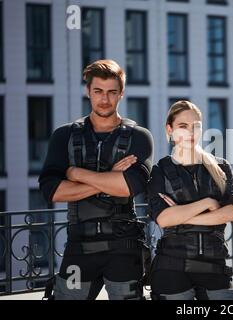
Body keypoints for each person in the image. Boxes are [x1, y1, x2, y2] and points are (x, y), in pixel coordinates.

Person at [38, 59, 153, 300]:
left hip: (124, 246)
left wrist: (77, 174)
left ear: (121, 94)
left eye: (112, 92)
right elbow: (52, 191)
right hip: (79, 247)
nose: (105, 99)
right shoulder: (64, 135)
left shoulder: (139, 136)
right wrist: (110, 176)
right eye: (98, 91)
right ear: (88, 91)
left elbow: (132, 185)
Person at [147, 100, 233, 300]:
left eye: (196, 126)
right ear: (170, 129)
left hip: (214, 265)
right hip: (171, 265)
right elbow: (164, 218)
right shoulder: (161, 170)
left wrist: (182, 216)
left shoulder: (221, 168)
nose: (191, 132)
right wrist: (207, 204)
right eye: (183, 126)